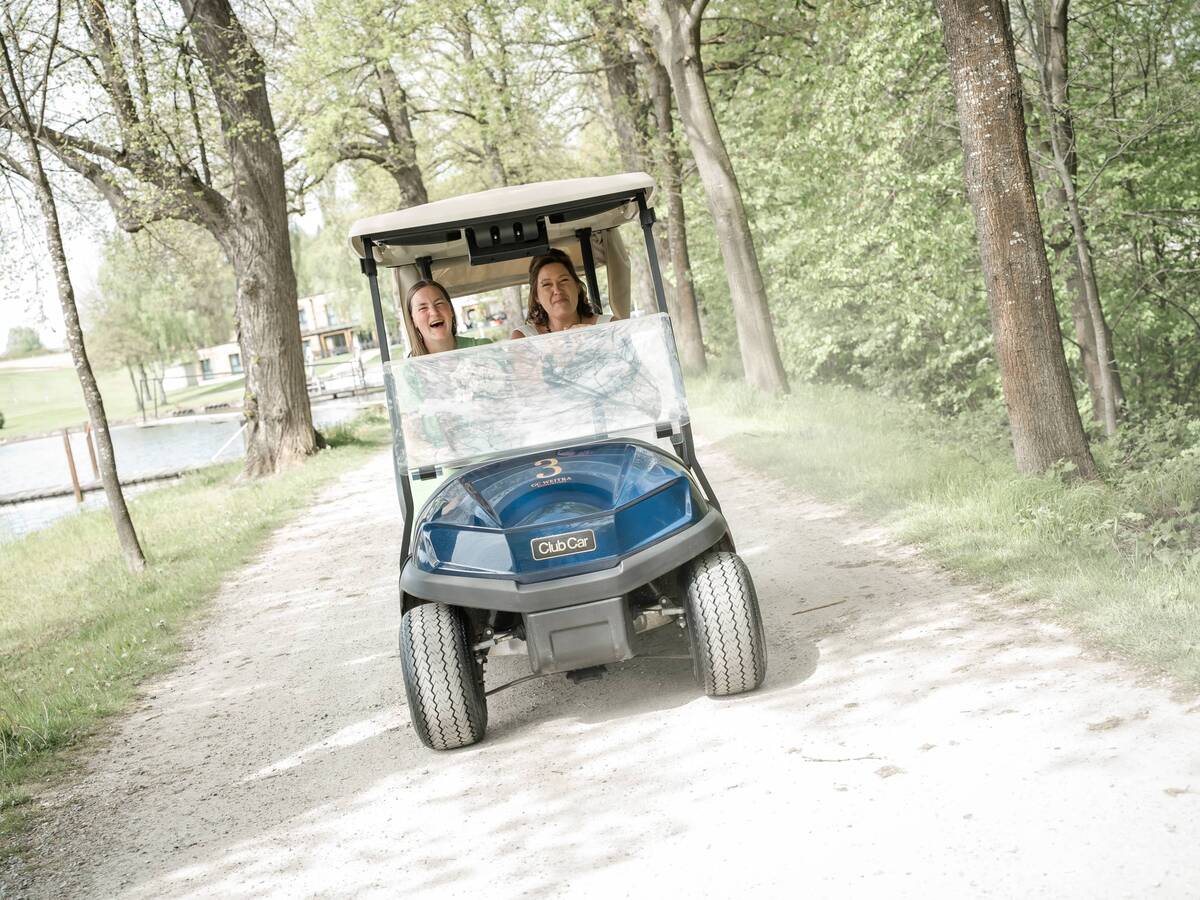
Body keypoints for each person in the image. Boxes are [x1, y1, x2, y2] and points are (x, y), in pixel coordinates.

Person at [510, 249, 616, 339]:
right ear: (536, 296)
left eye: (564, 280)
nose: (557, 290)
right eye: (547, 284)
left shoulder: (611, 327)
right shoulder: (523, 338)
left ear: (577, 286)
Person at [405, 280, 492, 356]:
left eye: (439, 303)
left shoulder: (484, 349)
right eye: (423, 308)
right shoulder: (410, 367)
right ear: (413, 320)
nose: (434, 312)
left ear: (451, 310)